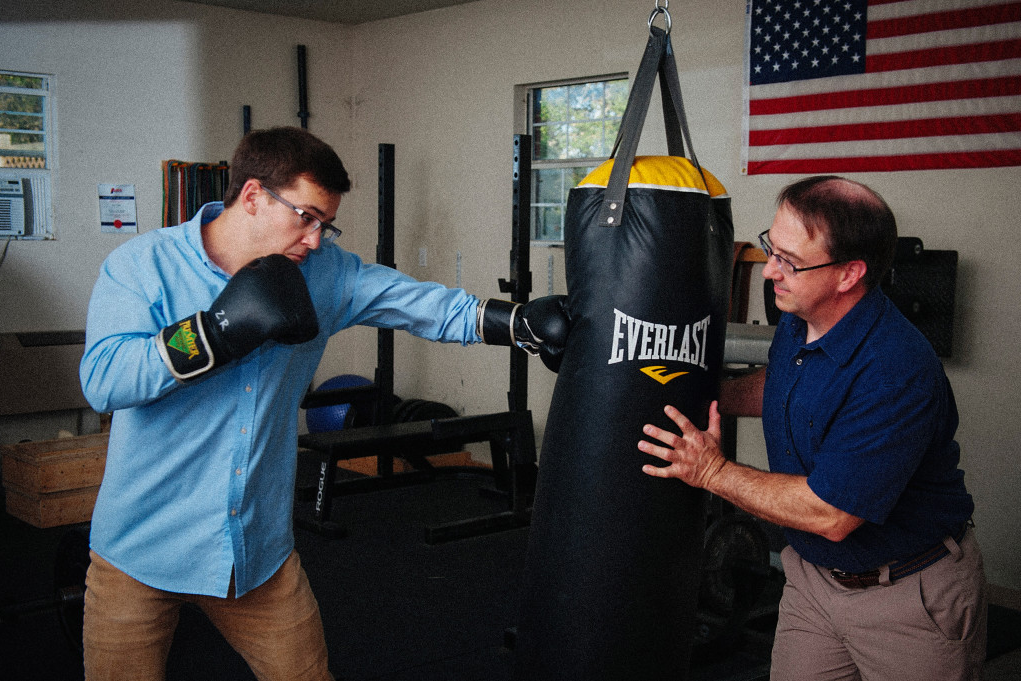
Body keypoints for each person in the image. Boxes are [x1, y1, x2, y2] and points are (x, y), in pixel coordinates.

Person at [79, 126, 567, 681]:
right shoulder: (143, 265)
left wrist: (518, 323)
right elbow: (104, 381)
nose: (315, 239)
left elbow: (419, 303)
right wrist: (214, 331)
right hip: (139, 552)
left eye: (324, 223)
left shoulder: (324, 273)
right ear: (254, 196)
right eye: (305, 217)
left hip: (254, 552)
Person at [638, 176, 986, 680]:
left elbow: (832, 513)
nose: (770, 272)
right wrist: (696, 394)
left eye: (791, 261)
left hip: (908, 597)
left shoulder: (893, 370)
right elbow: (783, 384)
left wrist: (710, 470)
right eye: (771, 250)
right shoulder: (801, 317)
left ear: (849, 274)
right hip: (811, 583)